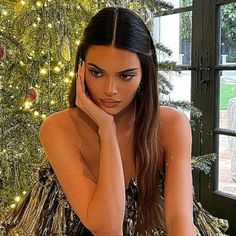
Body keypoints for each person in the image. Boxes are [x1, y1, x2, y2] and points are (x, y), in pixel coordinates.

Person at [1, 6, 229, 236]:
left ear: (144, 74)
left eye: (125, 75)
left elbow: (180, 223)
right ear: (80, 69)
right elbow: (107, 227)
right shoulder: (58, 128)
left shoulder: (171, 125)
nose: (110, 90)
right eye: (97, 73)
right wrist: (106, 128)